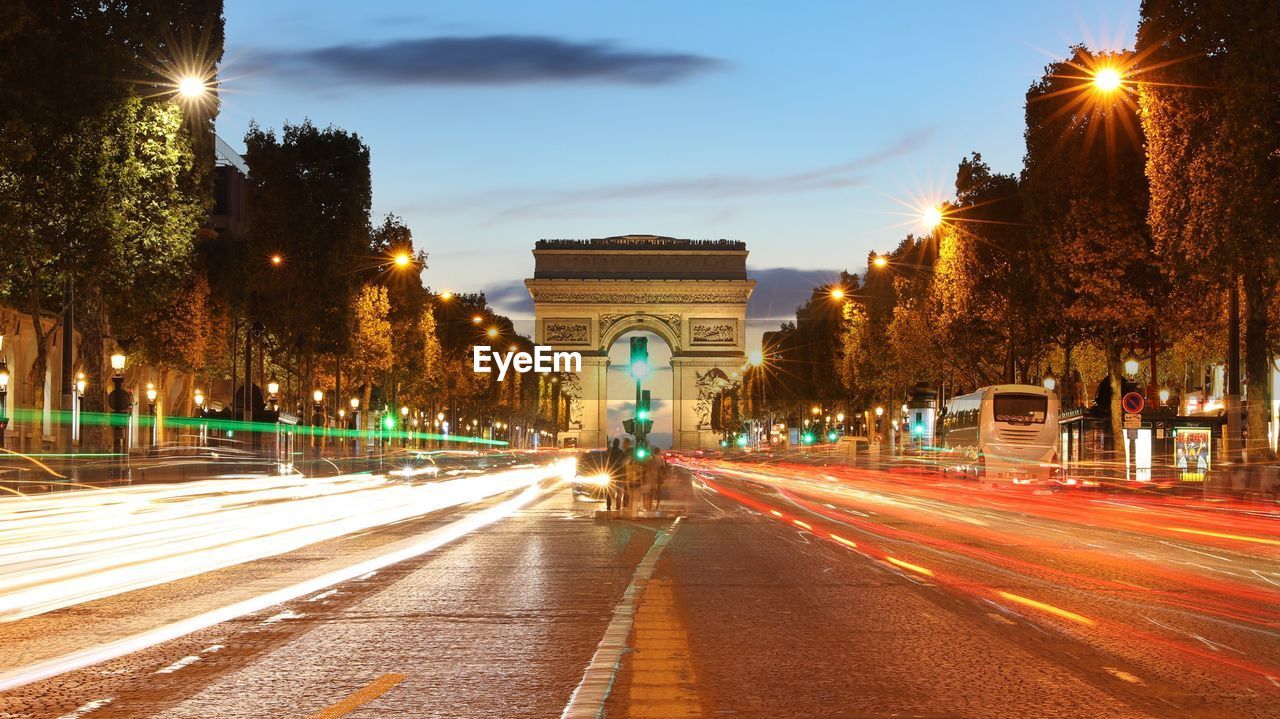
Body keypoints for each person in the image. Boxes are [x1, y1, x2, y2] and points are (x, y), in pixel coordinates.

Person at [605, 438, 625, 512]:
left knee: (609, 490)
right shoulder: (621, 452)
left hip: (610, 473)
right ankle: (618, 506)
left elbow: (607, 461)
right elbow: (623, 463)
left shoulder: (609, 451)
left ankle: (608, 505)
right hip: (619, 474)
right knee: (618, 491)